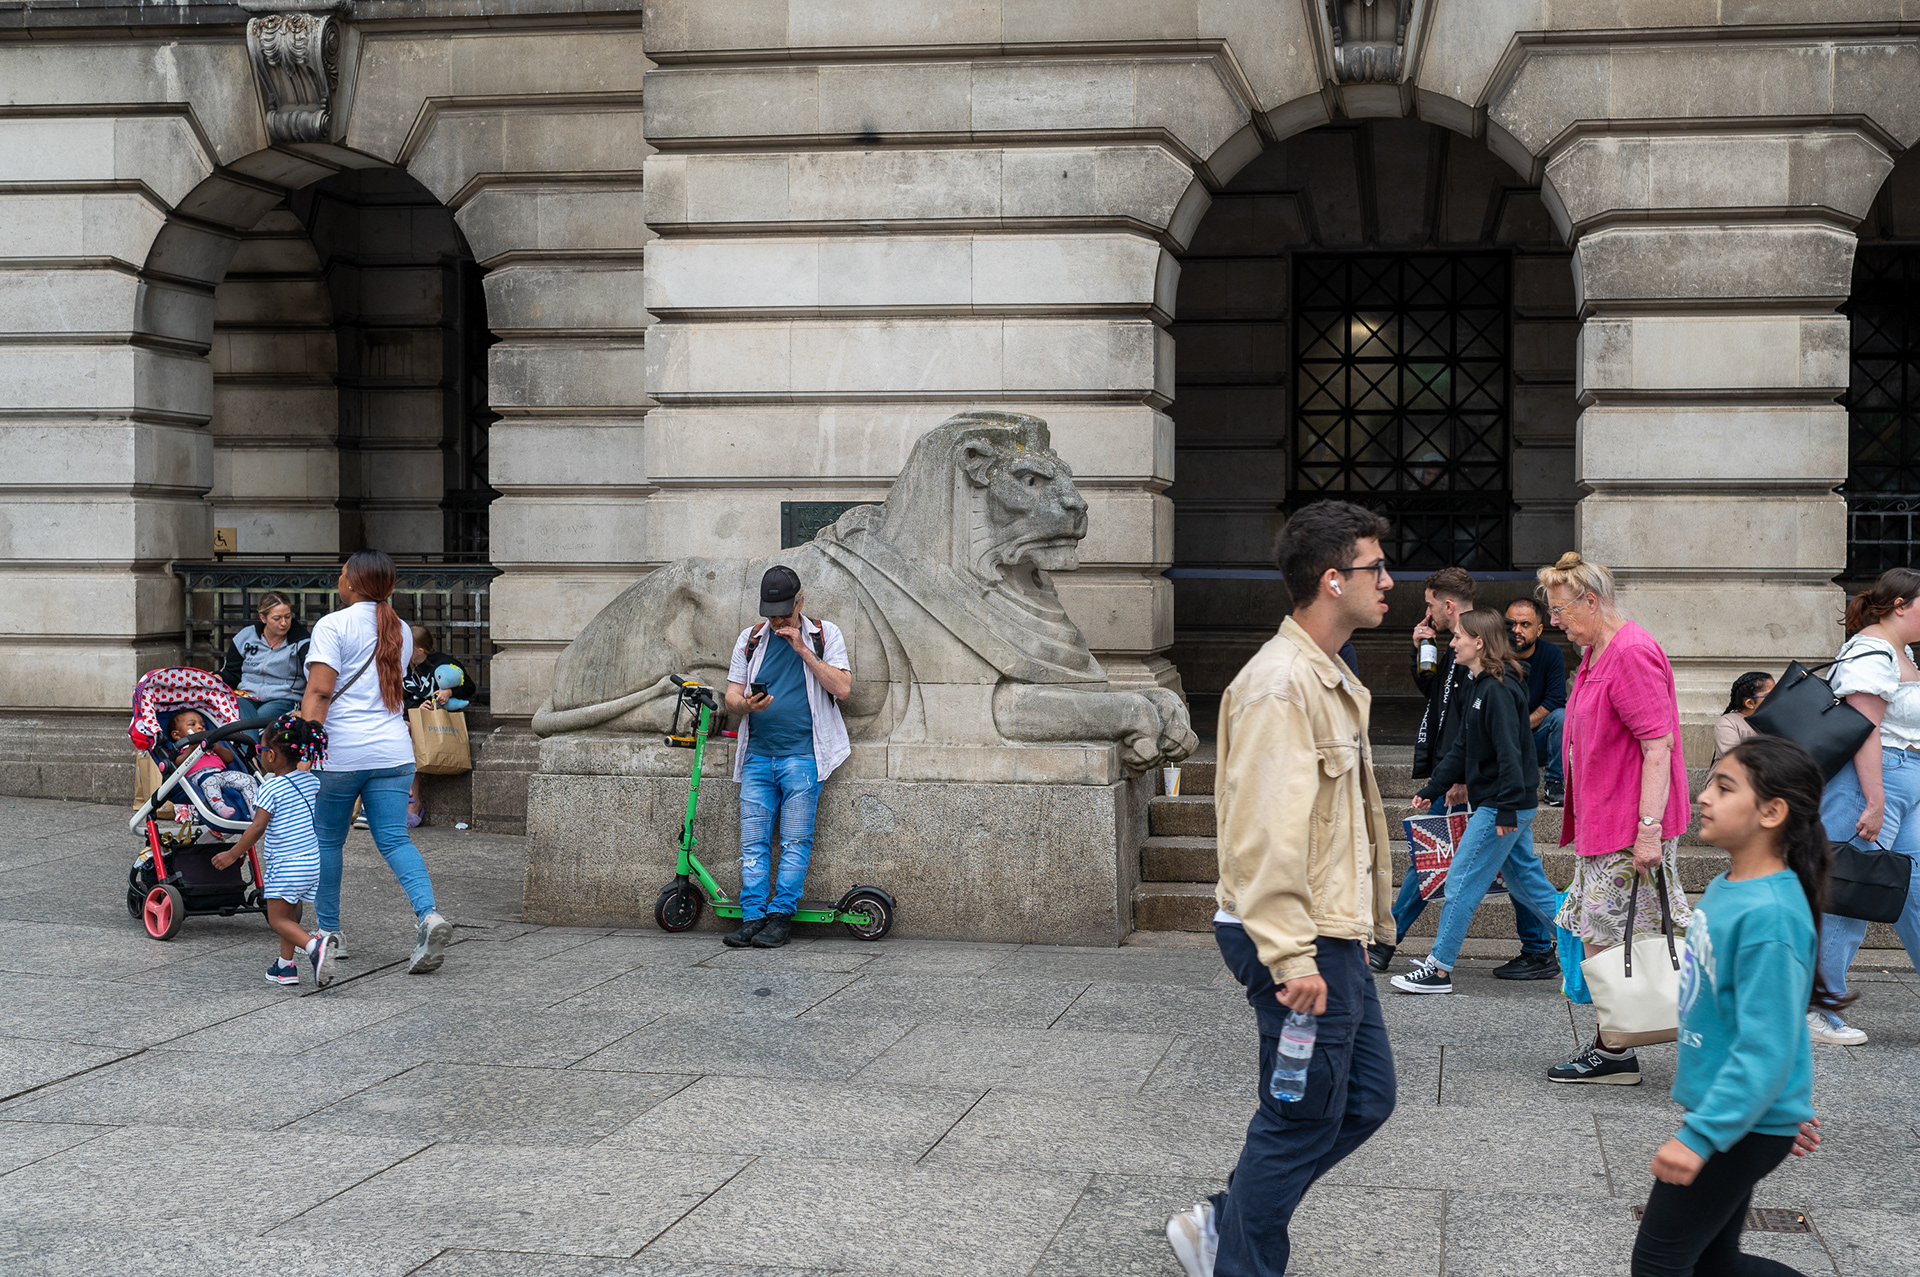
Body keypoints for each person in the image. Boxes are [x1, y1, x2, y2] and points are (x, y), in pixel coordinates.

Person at [1165, 500, 1396, 1277]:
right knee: (1298, 1116)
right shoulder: (1280, 684)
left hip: (1332, 930)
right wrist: (1292, 955)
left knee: (1364, 1098)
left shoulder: (1324, 673)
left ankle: (1227, 1220)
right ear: (1333, 580)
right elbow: (1262, 831)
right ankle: (1236, 1258)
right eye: (1375, 567)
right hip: (1295, 936)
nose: (1388, 580)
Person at [1631, 736, 1845, 1277]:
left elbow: (1766, 1042)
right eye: (1709, 783)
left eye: (1724, 788)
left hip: (1734, 1126)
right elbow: (1768, 1017)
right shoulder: (1733, 885)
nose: (1704, 798)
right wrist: (1777, 1105)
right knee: (1713, 1263)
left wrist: (1712, 1132)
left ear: (1772, 812)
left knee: (1659, 1265)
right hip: (1743, 1117)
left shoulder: (1771, 914)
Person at [1538, 551, 1693, 1084]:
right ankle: (1620, 1043)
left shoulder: (1629, 652)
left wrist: (1648, 832)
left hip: (1631, 824)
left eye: (1560, 610)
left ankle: (1619, 1049)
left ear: (1591, 600)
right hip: (1607, 819)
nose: (1554, 621)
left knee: (1614, 934)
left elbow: (1658, 745)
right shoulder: (1595, 648)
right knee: (1604, 931)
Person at [1372, 569, 1556, 977]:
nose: (1449, 640)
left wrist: (1496, 803)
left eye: (1456, 637)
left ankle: (1427, 962)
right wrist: (1437, 783)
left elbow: (1507, 752)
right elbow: (1454, 729)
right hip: (1489, 792)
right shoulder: (1475, 675)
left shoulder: (1497, 686)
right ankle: (1574, 946)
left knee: (1454, 876)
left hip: (1495, 797)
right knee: (1526, 882)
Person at [300, 550, 453, 975]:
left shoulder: (333, 625)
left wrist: (305, 744)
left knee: (328, 842)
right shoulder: (401, 628)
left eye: (343, 572)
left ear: (352, 583)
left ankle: (330, 933)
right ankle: (428, 915)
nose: (339, 576)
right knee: (396, 841)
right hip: (395, 752)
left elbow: (320, 692)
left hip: (342, 752)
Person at [1808, 567, 1920, 1047]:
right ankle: (1817, 1009)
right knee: (1847, 892)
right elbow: (1864, 728)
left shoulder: (1902, 651)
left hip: (1904, 778)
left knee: (1914, 891)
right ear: (1901, 605)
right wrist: (1874, 800)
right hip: (1874, 780)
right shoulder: (1871, 648)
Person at [720, 565, 852, 950]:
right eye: (771, 613)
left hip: (804, 758)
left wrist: (802, 648)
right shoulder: (751, 639)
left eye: (784, 612)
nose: (777, 620)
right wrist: (745, 704)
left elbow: (843, 688)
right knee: (753, 842)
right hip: (758, 758)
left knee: (795, 841)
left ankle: (781, 917)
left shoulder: (825, 635)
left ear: (800, 602)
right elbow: (731, 695)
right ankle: (753, 916)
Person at [210, 715, 334, 987]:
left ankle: (315, 948)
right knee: (287, 913)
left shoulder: (270, 787)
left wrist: (233, 853)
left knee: (277, 919)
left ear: (273, 756)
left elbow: (256, 828)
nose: (261, 755)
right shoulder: (310, 781)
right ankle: (285, 967)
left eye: (261, 750)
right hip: (311, 861)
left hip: (286, 864)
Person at [402, 626, 472, 828]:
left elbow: (469, 687)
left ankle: (413, 803)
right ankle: (405, 801)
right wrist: (416, 707)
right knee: (404, 731)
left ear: (419, 651)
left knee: (410, 734)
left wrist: (449, 692)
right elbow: (400, 698)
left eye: (406, 647)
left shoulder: (442, 663)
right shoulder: (402, 666)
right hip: (412, 715)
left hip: (436, 717)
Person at [1506, 598, 1567, 807]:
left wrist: (1519, 726)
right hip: (1501, 740)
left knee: (1561, 716)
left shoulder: (1551, 654)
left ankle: (1554, 783)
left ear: (1539, 630)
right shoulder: (1494, 655)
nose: (1517, 630)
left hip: (1535, 739)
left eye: (1525, 624)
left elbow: (1556, 699)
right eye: (1511, 623)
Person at [221, 592, 310, 726]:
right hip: (246, 696)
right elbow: (232, 673)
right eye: (277, 618)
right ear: (263, 618)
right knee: (237, 709)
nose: (284, 623)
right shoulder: (246, 637)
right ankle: (253, 746)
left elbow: (313, 679)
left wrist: (305, 708)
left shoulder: (302, 642)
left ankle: (248, 746)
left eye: (288, 616)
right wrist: (217, 677)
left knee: (257, 720)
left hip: (283, 698)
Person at [168, 710, 256, 819]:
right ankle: (220, 807)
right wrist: (191, 749)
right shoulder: (183, 748)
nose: (200, 727)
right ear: (176, 735)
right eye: (192, 724)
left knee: (248, 779)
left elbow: (229, 759)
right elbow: (176, 765)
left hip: (221, 773)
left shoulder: (212, 745)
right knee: (210, 783)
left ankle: (255, 811)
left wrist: (217, 748)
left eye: (203, 725)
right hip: (200, 777)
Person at [1711, 672, 1773, 765]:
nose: (1776, 698)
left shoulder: (1774, 722)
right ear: (1750, 703)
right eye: (1770, 695)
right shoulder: (1728, 723)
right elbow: (1735, 759)